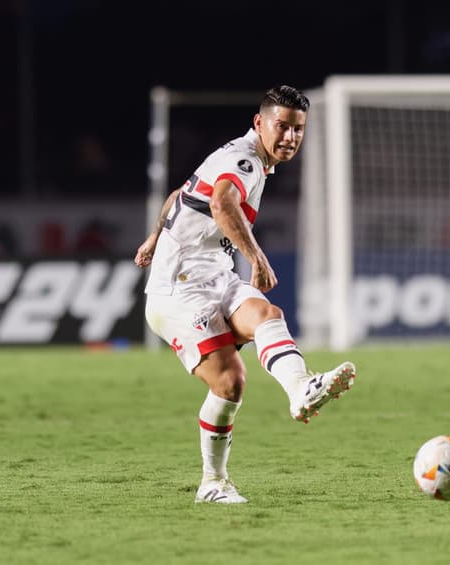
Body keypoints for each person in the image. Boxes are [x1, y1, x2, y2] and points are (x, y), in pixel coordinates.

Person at [134, 85, 357, 504]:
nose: (290, 137)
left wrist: (153, 236)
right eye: (282, 126)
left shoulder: (243, 156)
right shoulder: (245, 160)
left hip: (215, 277)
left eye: (298, 129)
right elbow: (221, 202)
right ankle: (212, 484)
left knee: (266, 314)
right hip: (178, 289)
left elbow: (180, 195)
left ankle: (301, 389)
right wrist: (256, 257)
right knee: (231, 381)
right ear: (260, 123)